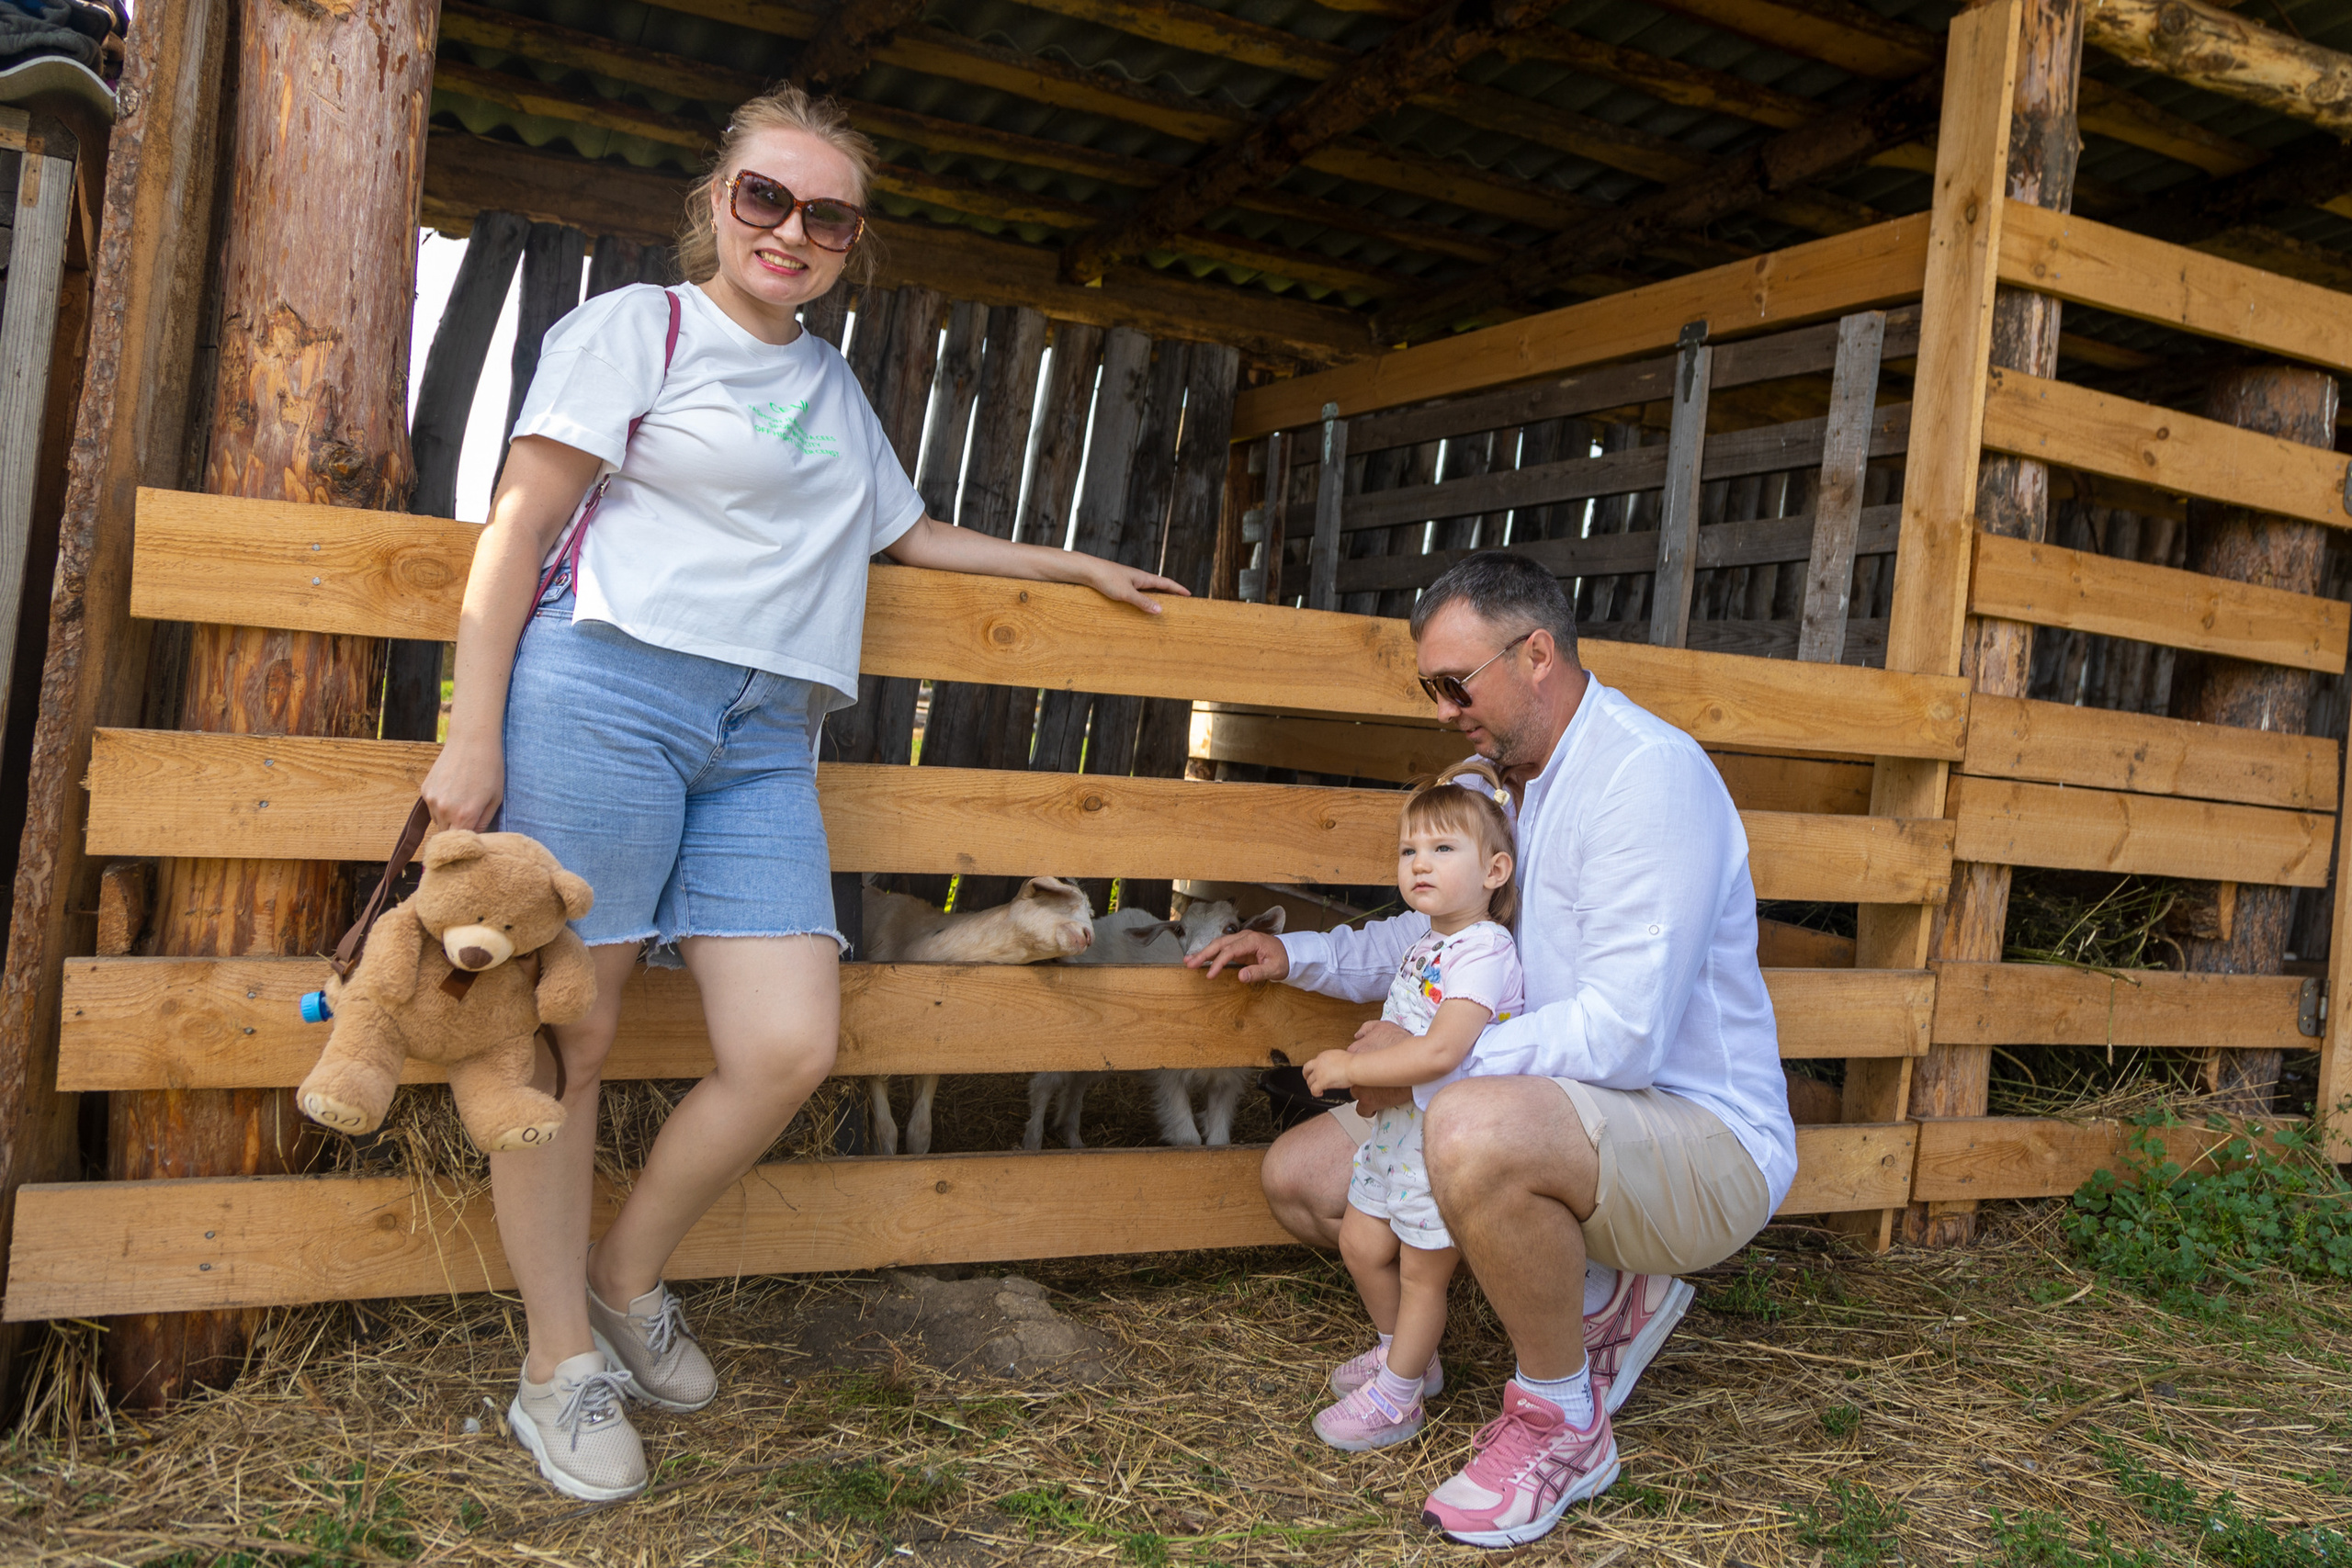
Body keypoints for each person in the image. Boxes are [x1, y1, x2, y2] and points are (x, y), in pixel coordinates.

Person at [420, 85, 1186, 1503]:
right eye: (766, 198)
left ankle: (624, 1271)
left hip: (767, 733)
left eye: (826, 214)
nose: (793, 229)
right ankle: (555, 1364)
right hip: (609, 692)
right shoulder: (636, 330)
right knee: (563, 1044)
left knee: (786, 1043)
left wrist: (1069, 566)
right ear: (717, 199)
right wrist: (472, 728)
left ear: (850, 242)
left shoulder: (830, 381)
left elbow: (908, 530)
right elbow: (518, 521)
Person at [1190, 550, 1793, 1550]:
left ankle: (1562, 1421)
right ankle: (1568, 1304)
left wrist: (1423, 1055)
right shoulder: (1512, 786)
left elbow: (1625, 1033)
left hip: (1699, 1138)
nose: (1439, 710)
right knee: (1303, 1179)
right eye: (1430, 686)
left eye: (1453, 684)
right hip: (1560, 1107)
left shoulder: (1646, 779)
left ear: (1537, 655)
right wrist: (1293, 952)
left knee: (1467, 1126)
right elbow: (1439, 940)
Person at [1294, 761, 1523, 1455]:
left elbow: (1441, 1051)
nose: (1420, 863)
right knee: (1361, 1242)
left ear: (1494, 870)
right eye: (1409, 850)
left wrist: (1352, 1067)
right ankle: (1409, 1360)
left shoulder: (1484, 949)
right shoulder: (1428, 938)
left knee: (1424, 1270)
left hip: (1442, 1138)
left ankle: (1397, 1401)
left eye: (1443, 849)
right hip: (1396, 1132)